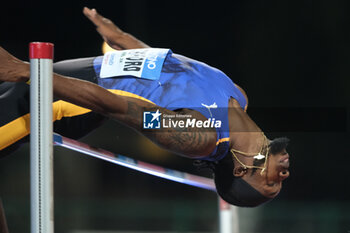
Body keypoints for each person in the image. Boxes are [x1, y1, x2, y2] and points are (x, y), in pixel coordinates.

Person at [0, 7, 290, 207]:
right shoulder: (239, 96)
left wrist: (29, 72)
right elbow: (171, 77)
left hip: (66, 100)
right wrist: (126, 41)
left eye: (271, 185)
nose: (283, 176)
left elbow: (117, 107)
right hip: (79, 73)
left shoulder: (199, 135)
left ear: (241, 170)